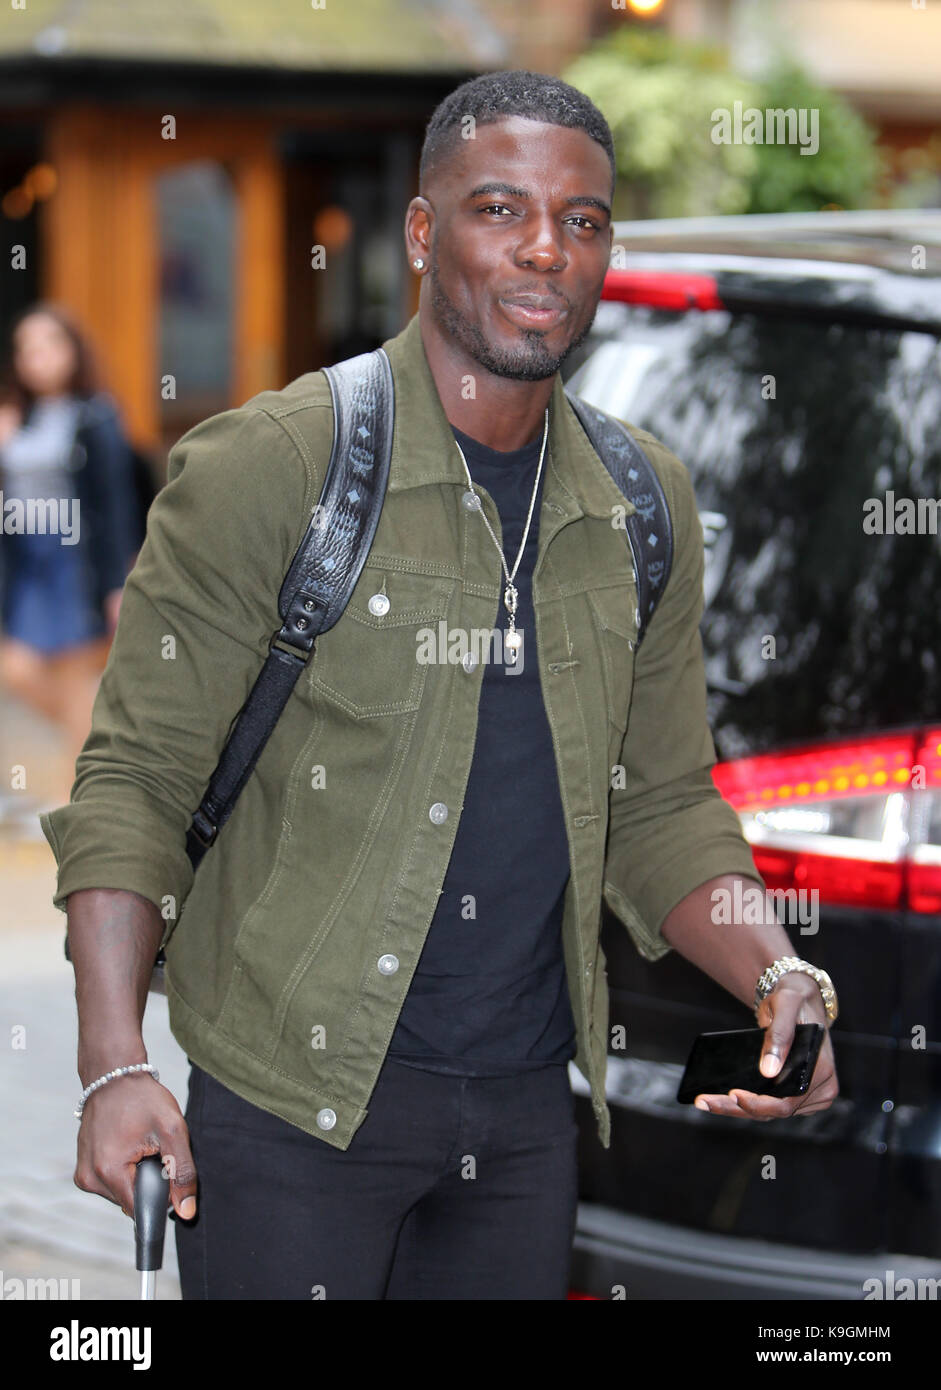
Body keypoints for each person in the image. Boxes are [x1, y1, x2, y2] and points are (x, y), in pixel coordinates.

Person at [40, 71, 839, 1301]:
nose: (544, 250)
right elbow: (134, 782)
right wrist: (111, 1063)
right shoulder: (277, 466)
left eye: (581, 221)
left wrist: (778, 977)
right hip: (288, 1115)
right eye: (499, 209)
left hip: (520, 1125)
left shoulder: (640, 503)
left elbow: (661, 804)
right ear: (422, 232)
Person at [0, 304, 143, 806]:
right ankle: (104, 754)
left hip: (77, 563)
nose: (35, 358)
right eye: (25, 349)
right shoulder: (15, 418)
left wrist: (115, 584)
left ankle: (69, 802)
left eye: (46, 345)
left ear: (71, 351)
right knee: (16, 668)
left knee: (78, 679)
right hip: (25, 564)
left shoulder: (95, 417)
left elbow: (116, 503)